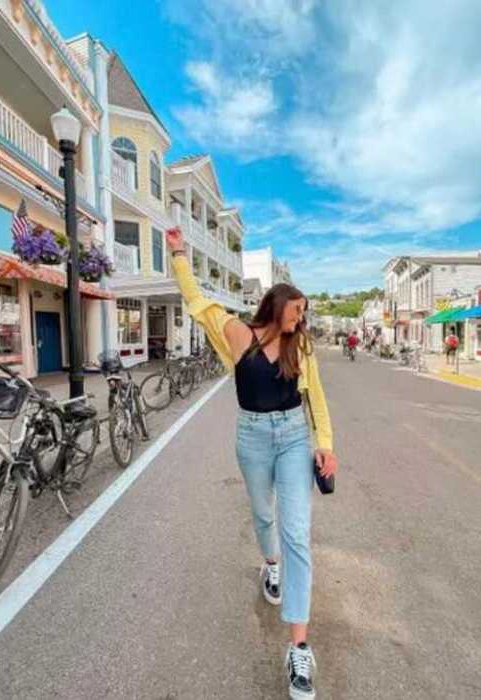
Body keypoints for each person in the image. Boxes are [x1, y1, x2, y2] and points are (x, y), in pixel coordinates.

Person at [167, 227, 337, 700]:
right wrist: (179, 254)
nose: (302, 318)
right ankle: (270, 565)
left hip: (292, 436)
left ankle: (299, 648)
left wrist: (325, 442)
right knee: (264, 516)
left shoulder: (300, 346)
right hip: (252, 437)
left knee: (297, 533)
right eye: (297, 309)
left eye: (304, 311)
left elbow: (317, 399)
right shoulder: (236, 334)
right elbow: (197, 300)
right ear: (277, 304)